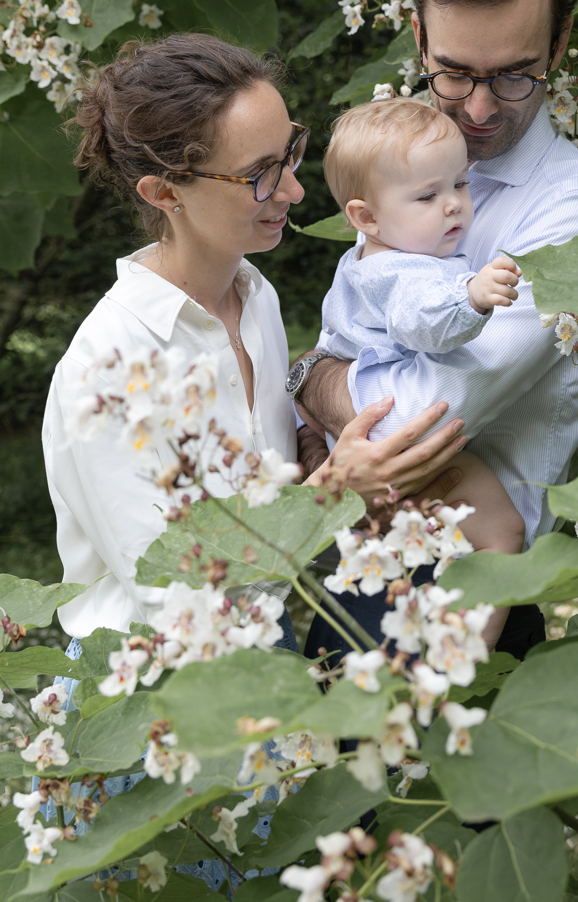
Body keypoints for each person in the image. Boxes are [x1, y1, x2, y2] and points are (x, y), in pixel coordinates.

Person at [42, 35, 469, 648]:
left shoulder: (254, 296)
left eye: (289, 153)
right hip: (154, 686)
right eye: (259, 175)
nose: (294, 190)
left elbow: (271, 502)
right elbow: (177, 604)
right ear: (165, 193)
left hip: (269, 648)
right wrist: (331, 496)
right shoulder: (104, 372)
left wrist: (326, 463)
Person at [291, 0, 578, 659]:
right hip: (367, 557)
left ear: (559, 44)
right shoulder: (404, 162)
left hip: (464, 577)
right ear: (418, 38)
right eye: (453, 72)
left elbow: (417, 420)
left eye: (513, 75)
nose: (477, 107)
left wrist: (312, 380)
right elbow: (359, 319)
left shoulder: (575, 218)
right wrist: (318, 382)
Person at [319, 96, 526, 650]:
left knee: (418, 545)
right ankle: (462, 658)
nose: (454, 204)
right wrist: (472, 296)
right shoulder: (401, 271)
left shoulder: (369, 257)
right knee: (502, 531)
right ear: (366, 217)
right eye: (428, 195)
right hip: (395, 423)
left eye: (460, 183)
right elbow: (422, 319)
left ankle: (429, 647)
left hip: (368, 413)